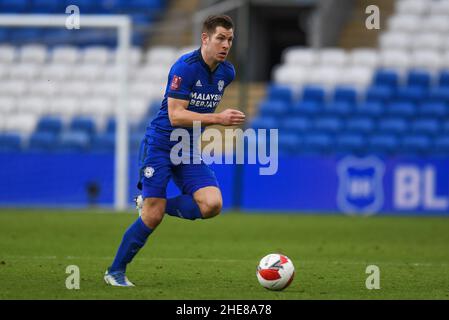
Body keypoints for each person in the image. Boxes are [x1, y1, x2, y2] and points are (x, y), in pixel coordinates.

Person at [104, 14, 245, 286]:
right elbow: (176, 116)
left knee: (212, 204)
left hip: (187, 148)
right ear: (205, 38)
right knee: (152, 217)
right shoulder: (184, 67)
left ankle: (152, 204)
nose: (226, 44)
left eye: (229, 39)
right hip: (160, 144)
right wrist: (219, 119)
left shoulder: (227, 72)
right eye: (220, 38)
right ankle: (115, 271)